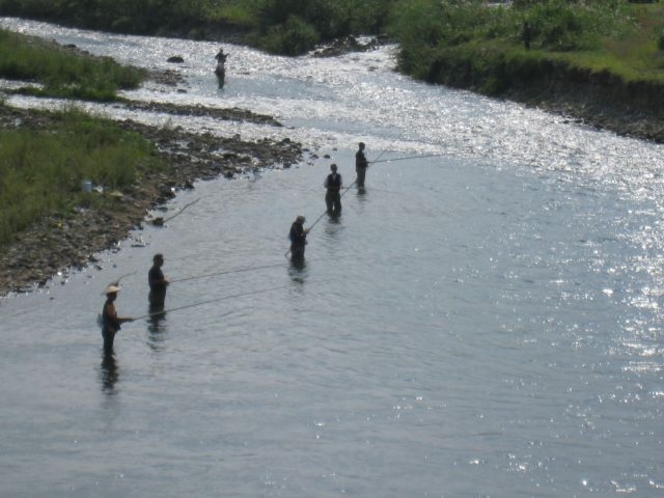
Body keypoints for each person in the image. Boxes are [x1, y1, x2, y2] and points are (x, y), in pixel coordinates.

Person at [101, 285, 133, 353]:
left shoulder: (109, 303)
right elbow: (115, 319)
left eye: (115, 294)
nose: (116, 295)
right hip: (108, 331)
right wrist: (127, 319)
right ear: (110, 295)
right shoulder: (109, 306)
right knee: (108, 351)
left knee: (108, 350)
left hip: (108, 329)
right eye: (114, 294)